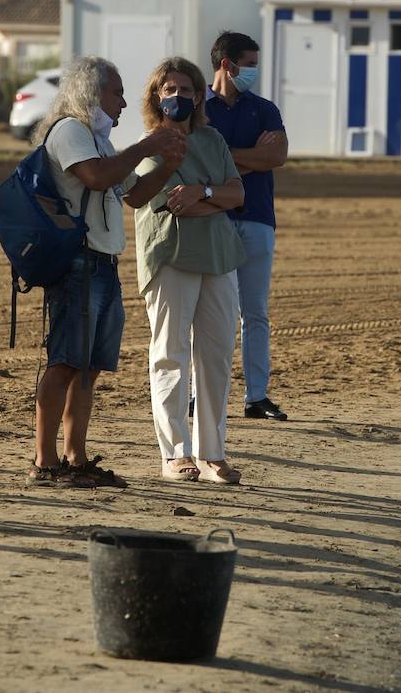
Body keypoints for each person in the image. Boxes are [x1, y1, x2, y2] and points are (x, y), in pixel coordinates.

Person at [28, 56, 186, 488]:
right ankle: (44, 463)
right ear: (92, 93)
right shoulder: (70, 131)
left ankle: (74, 458)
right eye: (116, 92)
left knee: (88, 367)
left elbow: (132, 195)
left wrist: (168, 164)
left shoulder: (96, 138)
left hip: (101, 262)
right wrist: (148, 146)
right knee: (64, 363)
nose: (122, 102)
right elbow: (97, 179)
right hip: (78, 262)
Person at [136, 57, 246, 484]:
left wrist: (203, 191)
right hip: (171, 258)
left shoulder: (212, 140)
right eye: (169, 90)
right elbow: (170, 203)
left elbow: (237, 194)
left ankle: (212, 453)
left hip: (218, 258)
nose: (177, 97)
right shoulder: (150, 144)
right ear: (156, 96)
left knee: (216, 356)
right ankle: (175, 453)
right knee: (170, 356)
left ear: (199, 96)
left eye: (185, 90)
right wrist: (213, 198)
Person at [205, 31, 290, 421]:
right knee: (208, 313)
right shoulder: (198, 110)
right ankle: (199, 396)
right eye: (250, 64)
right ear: (227, 64)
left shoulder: (265, 108)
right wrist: (253, 156)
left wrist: (224, 159)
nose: (254, 71)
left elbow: (278, 155)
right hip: (211, 219)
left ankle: (257, 396)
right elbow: (199, 160)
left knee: (254, 312)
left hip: (257, 217)